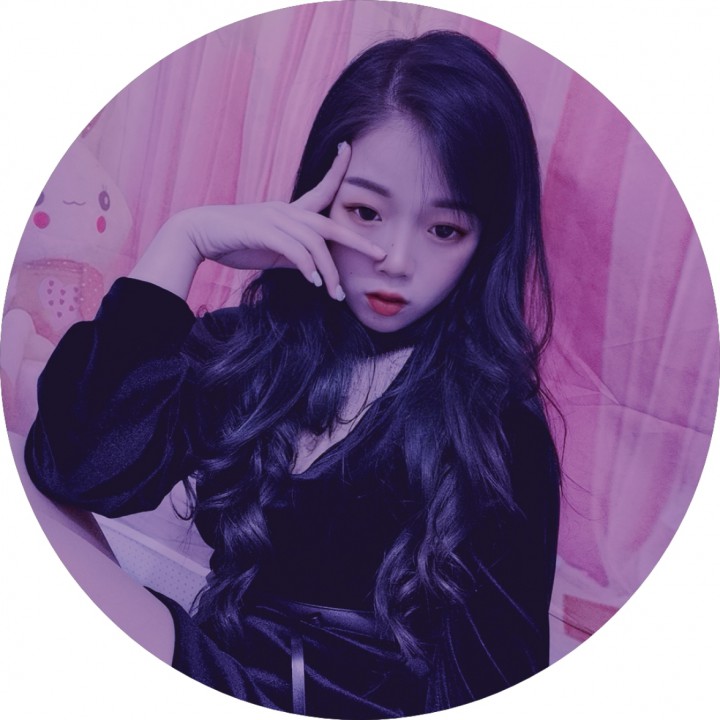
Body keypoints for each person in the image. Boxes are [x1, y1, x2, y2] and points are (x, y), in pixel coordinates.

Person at [24, 30, 560, 719]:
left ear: (485, 243)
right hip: (213, 670)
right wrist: (184, 237)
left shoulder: (495, 425)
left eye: (444, 230)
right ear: (321, 198)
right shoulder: (252, 350)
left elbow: (497, 681)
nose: (397, 259)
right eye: (365, 212)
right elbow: (74, 469)